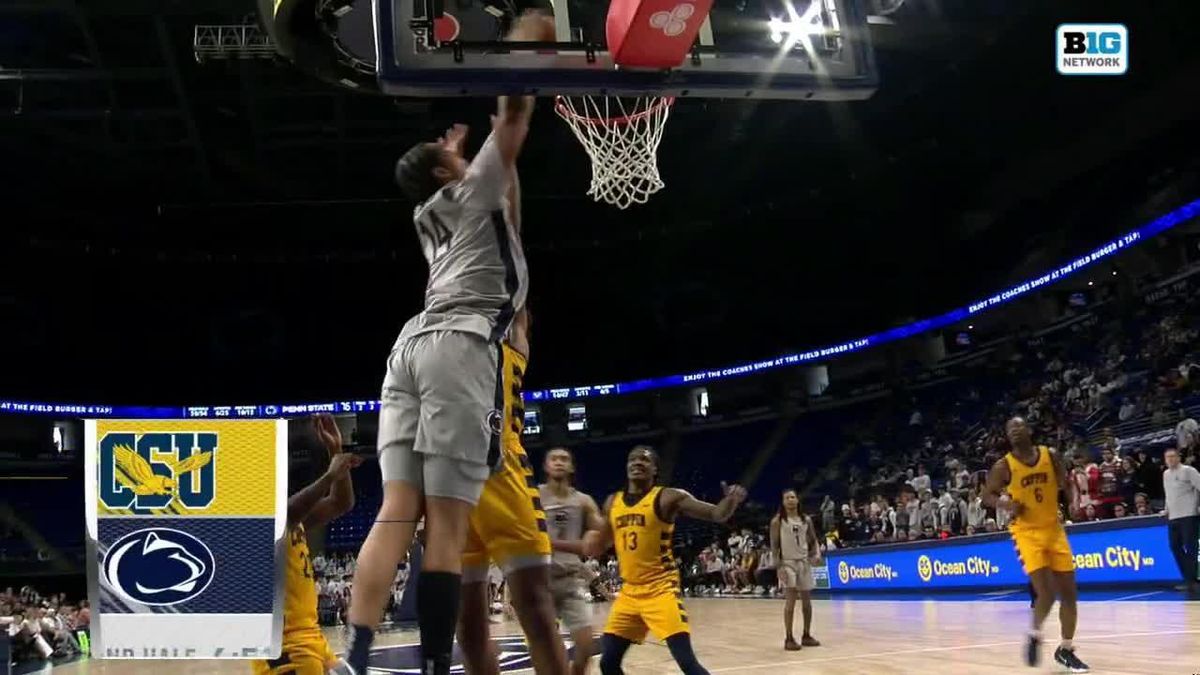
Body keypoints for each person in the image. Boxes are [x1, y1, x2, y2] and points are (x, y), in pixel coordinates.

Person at [342, 12, 558, 675]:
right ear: (447, 168)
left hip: (409, 345)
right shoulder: (471, 189)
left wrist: (453, 155)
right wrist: (520, 48)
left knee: (395, 510)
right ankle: (438, 662)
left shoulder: (425, 212)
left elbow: (501, 206)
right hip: (461, 348)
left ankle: (354, 652)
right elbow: (514, 118)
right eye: (452, 158)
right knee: (446, 523)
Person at [457, 308, 570, 675]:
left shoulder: (512, 345)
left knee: (536, 610)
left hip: (502, 472)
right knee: (467, 624)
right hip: (449, 480)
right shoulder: (440, 342)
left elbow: (518, 307)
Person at [579, 446, 747, 675]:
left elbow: (717, 514)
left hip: (661, 590)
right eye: (633, 459)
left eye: (644, 460)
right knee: (608, 663)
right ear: (626, 466)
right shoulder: (612, 502)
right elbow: (603, 543)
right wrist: (585, 542)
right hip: (629, 593)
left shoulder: (669, 497)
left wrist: (730, 501)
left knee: (688, 664)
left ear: (655, 469)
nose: (638, 463)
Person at [253, 414, 362, 675]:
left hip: (311, 638)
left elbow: (341, 503)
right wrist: (328, 475)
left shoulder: (291, 518)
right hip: (286, 647)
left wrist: (335, 451)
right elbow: (287, 515)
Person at [982, 417, 1088, 673]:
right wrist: (1005, 504)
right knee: (1047, 593)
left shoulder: (1049, 455)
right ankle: (1034, 634)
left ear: (1028, 429)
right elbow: (987, 495)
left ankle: (1065, 649)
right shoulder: (1003, 466)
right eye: (1010, 429)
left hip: (1054, 529)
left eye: (1019, 426)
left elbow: (1067, 483)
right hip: (1026, 532)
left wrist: (1074, 501)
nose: (1016, 431)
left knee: (1070, 595)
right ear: (1008, 437)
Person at [539, 447, 605, 675]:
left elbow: (600, 535)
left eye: (564, 459)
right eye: (554, 458)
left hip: (570, 580)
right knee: (546, 651)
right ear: (546, 466)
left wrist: (594, 536)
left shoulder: (584, 501)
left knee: (586, 646)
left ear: (572, 467)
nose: (559, 462)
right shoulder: (534, 496)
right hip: (540, 581)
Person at [769, 489, 821, 651]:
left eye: (793, 497)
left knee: (807, 601)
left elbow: (814, 541)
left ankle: (806, 635)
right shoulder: (777, 521)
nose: (791, 500)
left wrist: (817, 554)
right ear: (783, 502)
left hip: (804, 562)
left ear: (798, 500)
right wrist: (779, 568)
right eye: (787, 498)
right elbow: (774, 547)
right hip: (788, 563)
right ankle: (789, 638)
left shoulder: (806, 520)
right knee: (790, 601)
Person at [1162, 448, 1200, 595]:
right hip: (1173, 516)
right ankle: (1188, 578)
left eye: (1172, 456)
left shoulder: (1188, 470)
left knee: (1190, 547)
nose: (1170, 459)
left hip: (1188, 514)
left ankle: (1192, 580)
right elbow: (1168, 494)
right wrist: (1166, 509)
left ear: (1179, 457)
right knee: (1174, 547)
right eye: (1167, 457)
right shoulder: (1165, 474)